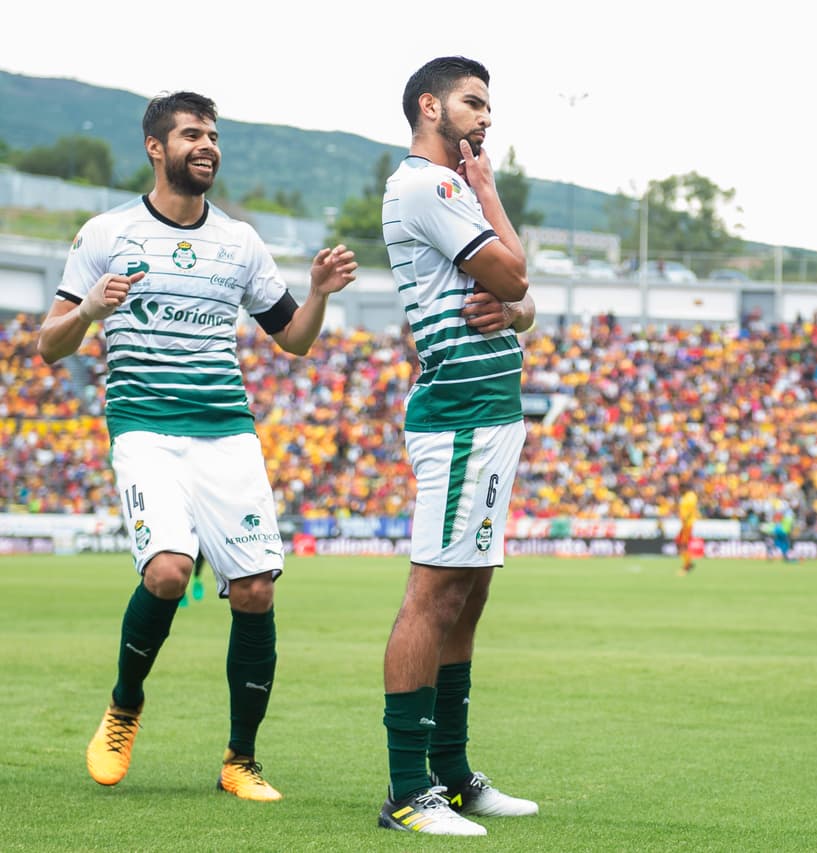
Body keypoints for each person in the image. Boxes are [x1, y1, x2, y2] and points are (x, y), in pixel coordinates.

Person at [36, 91, 357, 801]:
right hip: (145, 427)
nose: (206, 145)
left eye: (212, 135)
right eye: (191, 134)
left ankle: (240, 759)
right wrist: (89, 309)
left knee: (253, 589)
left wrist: (319, 293)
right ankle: (124, 706)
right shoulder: (106, 234)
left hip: (225, 432)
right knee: (169, 573)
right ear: (156, 148)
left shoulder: (239, 242)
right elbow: (48, 346)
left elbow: (295, 340)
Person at [376, 56, 538, 837]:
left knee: (467, 597)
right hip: (461, 413)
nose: (485, 117)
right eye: (473, 103)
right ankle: (408, 789)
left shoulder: (450, 191)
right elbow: (514, 275)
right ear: (429, 106)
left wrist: (516, 307)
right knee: (433, 594)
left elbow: (521, 302)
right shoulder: (427, 185)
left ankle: (451, 775)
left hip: (492, 411)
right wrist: (490, 198)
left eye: (489, 106)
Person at [676, 485, 699, 575]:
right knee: (679, 543)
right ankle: (688, 563)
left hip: (687, 524)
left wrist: (685, 518)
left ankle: (687, 565)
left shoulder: (690, 496)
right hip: (685, 524)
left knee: (682, 544)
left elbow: (691, 509)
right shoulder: (687, 496)